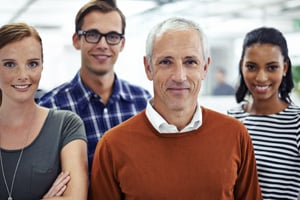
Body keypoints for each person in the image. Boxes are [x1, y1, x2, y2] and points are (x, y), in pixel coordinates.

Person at [89, 17, 262, 199]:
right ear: (148, 68)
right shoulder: (113, 146)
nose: (179, 76)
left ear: (205, 67)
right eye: (166, 62)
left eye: (190, 62)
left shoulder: (235, 135)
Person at [38, 0, 151, 172]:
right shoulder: (51, 108)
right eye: (92, 34)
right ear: (77, 40)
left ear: (122, 44)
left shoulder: (143, 102)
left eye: (112, 36)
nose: (103, 45)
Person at [0, 22, 88, 200]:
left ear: (42, 66)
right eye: (10, 64)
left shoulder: (66, 125)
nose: (23, 75)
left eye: (32, 64)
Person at [227, 27, 300, 199]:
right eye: (251, 67)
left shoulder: (296, 123)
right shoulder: (232, 119)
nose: (261, 77)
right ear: (241, 66)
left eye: (272, 67)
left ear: (284, 68)